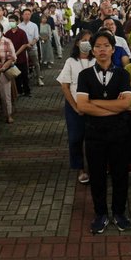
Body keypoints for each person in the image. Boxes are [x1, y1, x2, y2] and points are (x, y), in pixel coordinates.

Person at [76, 31, 131, 234]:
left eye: (106, 45)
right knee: (97, 176)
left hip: (119, 133)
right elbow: (82, 106)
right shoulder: (85, 75)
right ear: (92, 50)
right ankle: (100, 213)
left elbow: (126, 104)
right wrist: (112, 106)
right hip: (94, 134)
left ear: (113, 49)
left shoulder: (123, 74)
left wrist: (95, 103)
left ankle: (119, 212)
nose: (102, 49)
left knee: (120, 175)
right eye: (98, 46)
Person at [57, 30, 95, 185]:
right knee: (75, 138)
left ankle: (96, 166)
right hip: (74, 105)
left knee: (94, 138)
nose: (86, 43)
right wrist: (75, 106)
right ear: (78, 42)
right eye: (83, 40)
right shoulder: (71, 61)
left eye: (89, 40)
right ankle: (80, 168)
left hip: (94, 106)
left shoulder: (97, 60)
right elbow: (65, 86)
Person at [0, 23, 17, 124]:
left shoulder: (7, 41)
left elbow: (12, 58)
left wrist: (2, 68)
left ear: (1, 31)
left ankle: (8, 115)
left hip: (3, 71)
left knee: (5, 95)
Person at [4, 14, 31, 97]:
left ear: (17, 22)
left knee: (24, 75)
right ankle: (19, 91)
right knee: (16, 75)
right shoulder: (7, 33)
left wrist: (15, 54)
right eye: (10, 21)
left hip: (21, 57)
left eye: (13, 21)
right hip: (11, 59)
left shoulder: (22, 32)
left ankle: (27, 91)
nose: (11, 23)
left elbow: (24, 45)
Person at [19, 9, 44, 87]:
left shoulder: (34, 25)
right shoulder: (19, 26)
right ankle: (25, 80)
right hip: (23, 49)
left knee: (36, 63)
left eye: (29, 14)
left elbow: (36, 37)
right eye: (25, 14)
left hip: (33, 48)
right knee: (24, 65)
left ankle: (38, 78)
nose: (27, 16)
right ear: (22, 15)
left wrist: (31, 44)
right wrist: (25, 46)